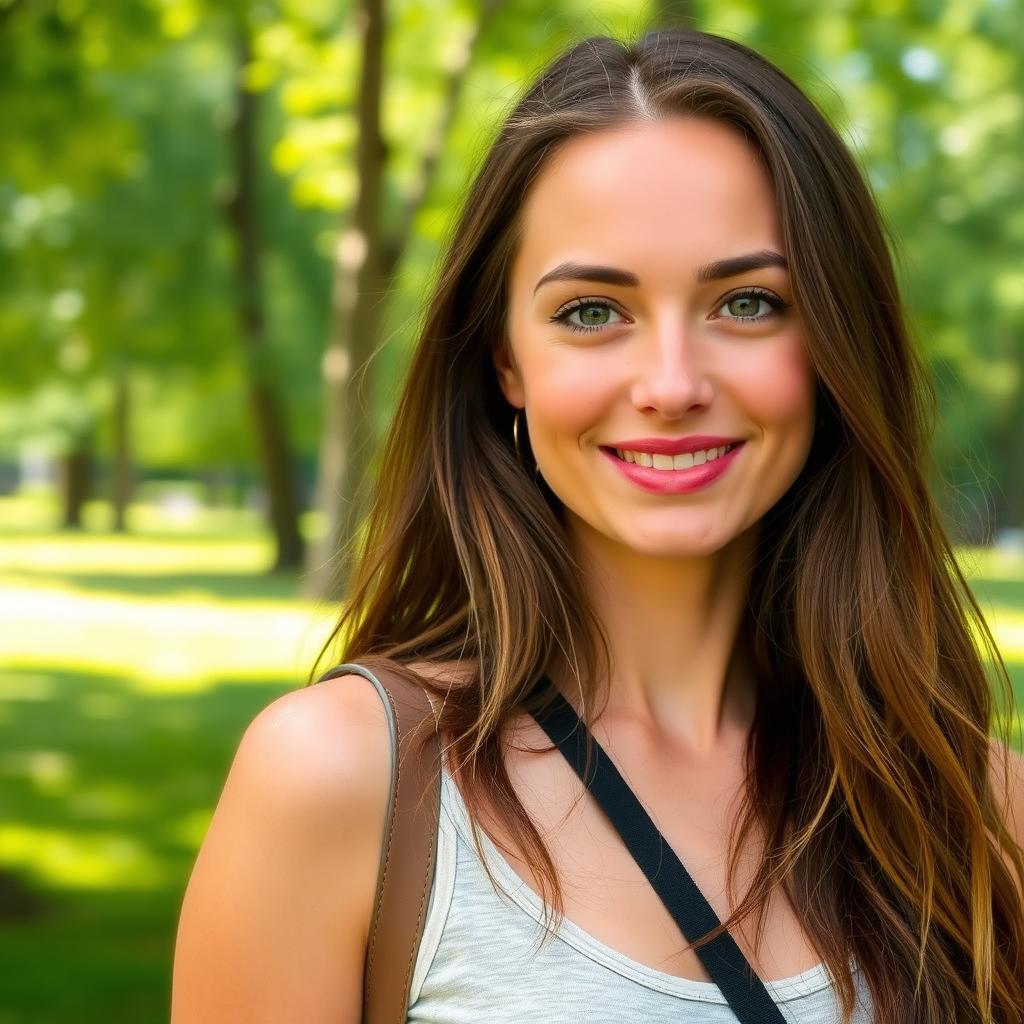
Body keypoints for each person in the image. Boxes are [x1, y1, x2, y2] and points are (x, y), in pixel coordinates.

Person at [170, 27, 1024, 1024]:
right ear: (505, 362)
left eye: (746, 302)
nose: (670, 384)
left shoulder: (975, 807)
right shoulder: (342, 782)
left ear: (835, 342)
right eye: (590, 311)